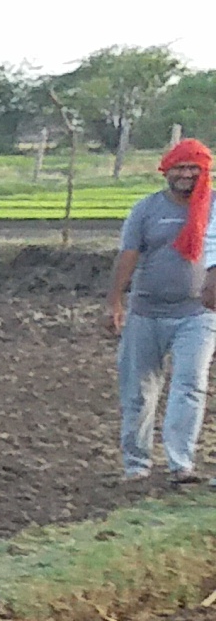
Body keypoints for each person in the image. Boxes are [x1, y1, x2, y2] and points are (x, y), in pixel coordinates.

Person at [111, 138, 213, 484]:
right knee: (138, 390)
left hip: (198, 314)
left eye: (193, 168)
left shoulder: (213, 208)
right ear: (166, 171)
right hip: (146, 311)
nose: (186, 175)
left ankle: (180, 463)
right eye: (180, 168)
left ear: (204, 171)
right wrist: (116, 301)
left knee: (190, 385)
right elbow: (128, 256)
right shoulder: (146, 209)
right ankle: (137, 464)